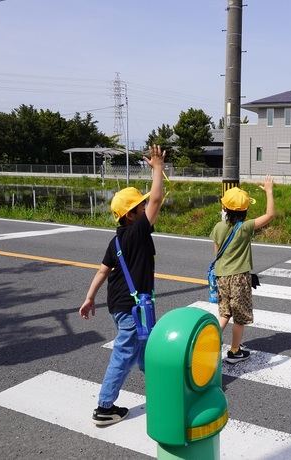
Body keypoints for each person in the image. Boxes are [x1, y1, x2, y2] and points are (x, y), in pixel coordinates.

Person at [78, 144, 165, 426]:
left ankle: (161, 389)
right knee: (126, 351)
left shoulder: (117, 239)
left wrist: (89, 298)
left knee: (145, 348)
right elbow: (157, 201)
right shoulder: (136, 233)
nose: (145, 208)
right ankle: (104, 407)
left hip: (121, 304)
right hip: (130, 306)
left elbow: (102, 271)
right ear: (130, 215)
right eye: (139, 207)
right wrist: (159, 169)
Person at [210, 176, 275, 363]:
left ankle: (206, 345)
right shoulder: (245, 227)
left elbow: (217, 255)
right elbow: (269, 215)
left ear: (224, 208)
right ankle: (234, 350)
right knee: (239, 317)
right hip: (239, 277)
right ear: (246, 209)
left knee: (224, 314)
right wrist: (269, 191)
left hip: (221, 276)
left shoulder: (217, 227)